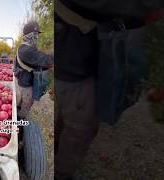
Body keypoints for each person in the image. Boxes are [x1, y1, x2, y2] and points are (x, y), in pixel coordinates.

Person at [55, 0, 164, 179]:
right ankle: (61, 173)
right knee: (82, 126)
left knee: (73, 112)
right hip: (74, 54)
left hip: (84, 48)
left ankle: (59, 143)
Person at [14, 21, 54, 119]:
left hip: (23, 81)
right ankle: (20, 120)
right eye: (36, 35)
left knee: (22, 101)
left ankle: (18, 113)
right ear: (31, 35)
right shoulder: (27, 51)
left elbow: (37, 62)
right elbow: (47, 60)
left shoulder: (24, 47)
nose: (37, 37)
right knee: (27, 104)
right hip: (26, 86)